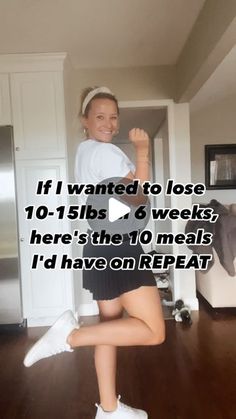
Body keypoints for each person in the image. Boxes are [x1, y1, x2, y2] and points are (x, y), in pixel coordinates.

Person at [23, 86, 165, 419]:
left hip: (99, 245)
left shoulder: (84, 152)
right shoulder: (107, 154)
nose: (109, 123)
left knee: (110, 325)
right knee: (154, 331)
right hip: (121, 247)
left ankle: (110, 410)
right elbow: (137, 197)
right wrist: (142, 152)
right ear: (85, 120)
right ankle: (69, 337)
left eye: (113, 117)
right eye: (100, 116)